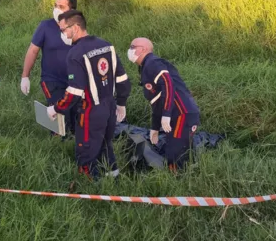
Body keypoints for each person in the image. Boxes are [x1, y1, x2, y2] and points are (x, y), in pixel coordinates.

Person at [47, 10, 131, 179]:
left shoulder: (75, 54)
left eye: (63, 30)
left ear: (76, 27)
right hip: (109, 107)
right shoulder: (106, 45)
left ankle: (90, 189)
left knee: (86, 150)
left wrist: (56, 108)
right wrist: (121, 103)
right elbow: (122, 79)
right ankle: (113, 178)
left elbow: (75, 92)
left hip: (90, 111)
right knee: (106, 144)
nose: (62, 34)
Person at [127, 37, 200, 172]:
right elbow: (156, 101)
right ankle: (187, 178)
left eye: (133, 47)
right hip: (176, 113)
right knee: (179, 150)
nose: (130, 50)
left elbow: (167, 83)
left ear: (143, 49)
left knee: (175, 153)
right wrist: (154, 127)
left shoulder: (152, 62)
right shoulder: (145, 68)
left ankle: (178, 183)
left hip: (181, 113)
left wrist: (166, 114)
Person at [20, 0, 79, 137]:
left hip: (74, 81)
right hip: (52, 80)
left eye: (61, 6)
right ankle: (57, 143)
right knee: (60, 113)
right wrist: (25, 76)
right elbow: (33, 50)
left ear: (71, 10)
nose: (57, 9)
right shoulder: (46, 26)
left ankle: (73, 140)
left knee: (76, 117)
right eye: (55, 5)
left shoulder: (77, 27)